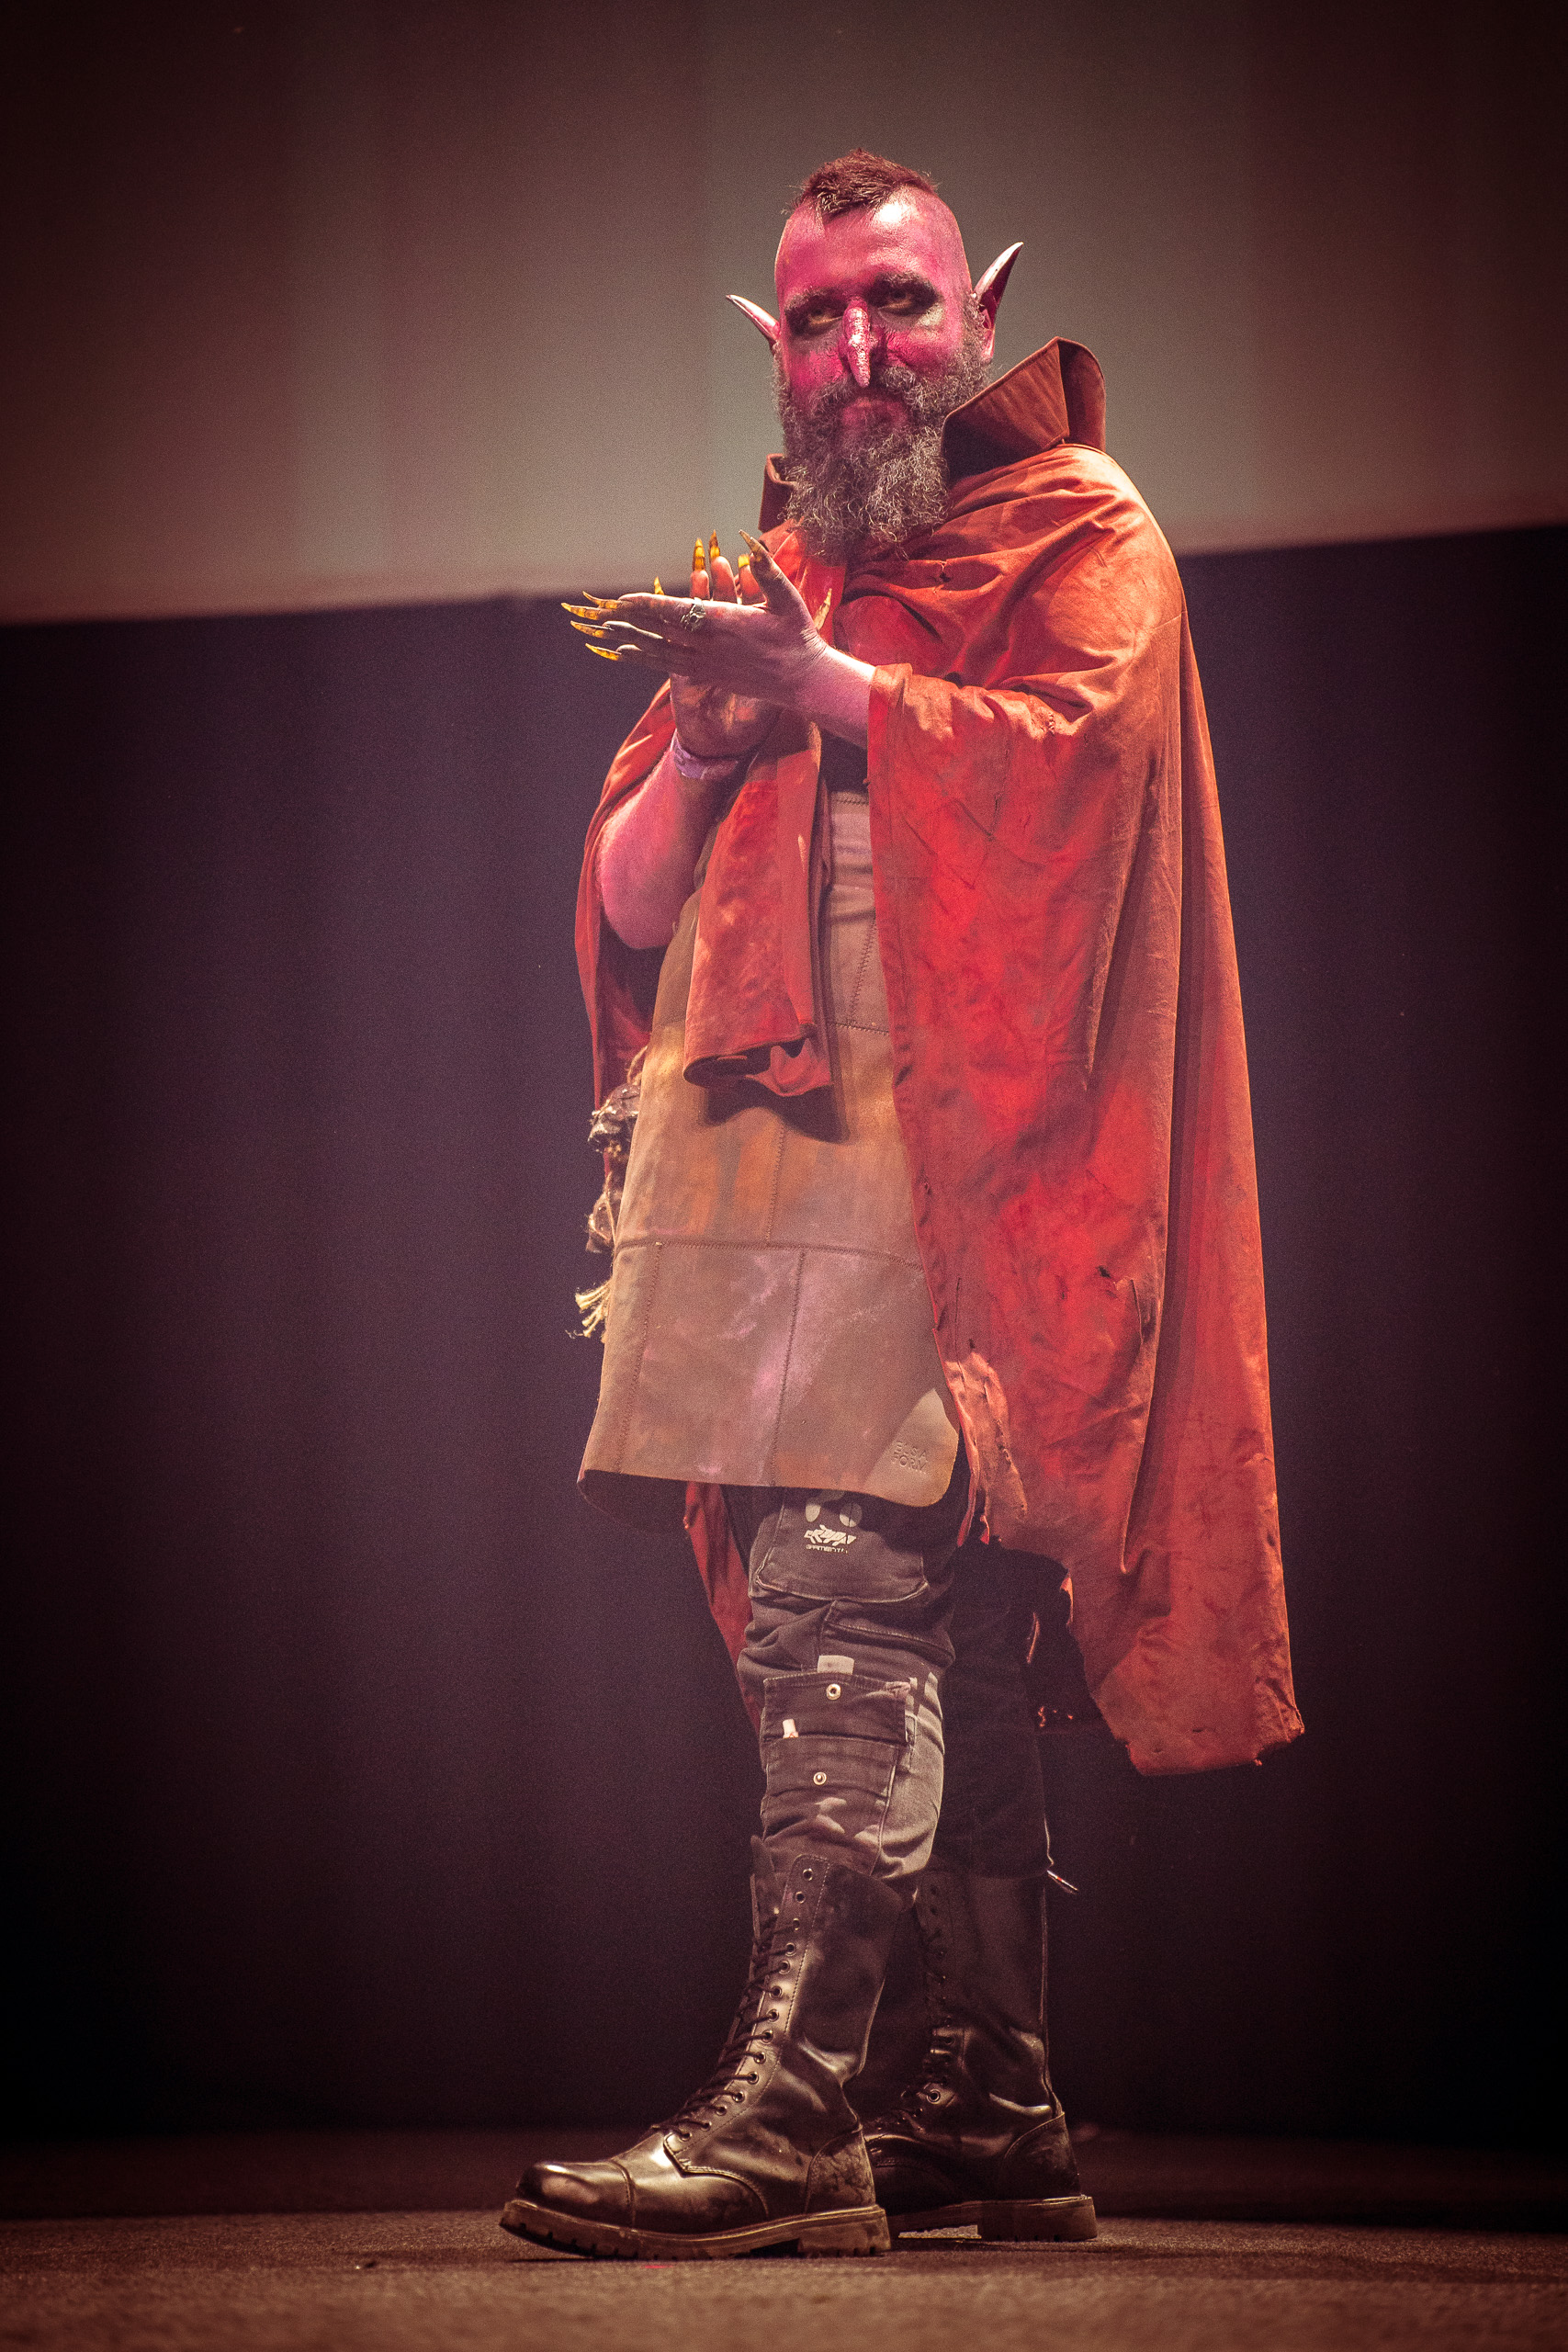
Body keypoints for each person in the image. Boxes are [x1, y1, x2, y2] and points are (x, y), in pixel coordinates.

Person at [501, 149, 1301, 2263]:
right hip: (754, 1153)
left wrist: (821, 697)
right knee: (926, 1614)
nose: (861, 350)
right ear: (770, 349)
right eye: (820, 318)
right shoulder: (763, 582)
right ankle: (987, 2102)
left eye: (900, 304)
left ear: (980, 314)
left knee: (842, 1586)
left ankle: (794, 2109)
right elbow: (624, 905)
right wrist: (708, 730)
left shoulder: (1075, 525)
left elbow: (1080, 770)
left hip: (957, 1141)